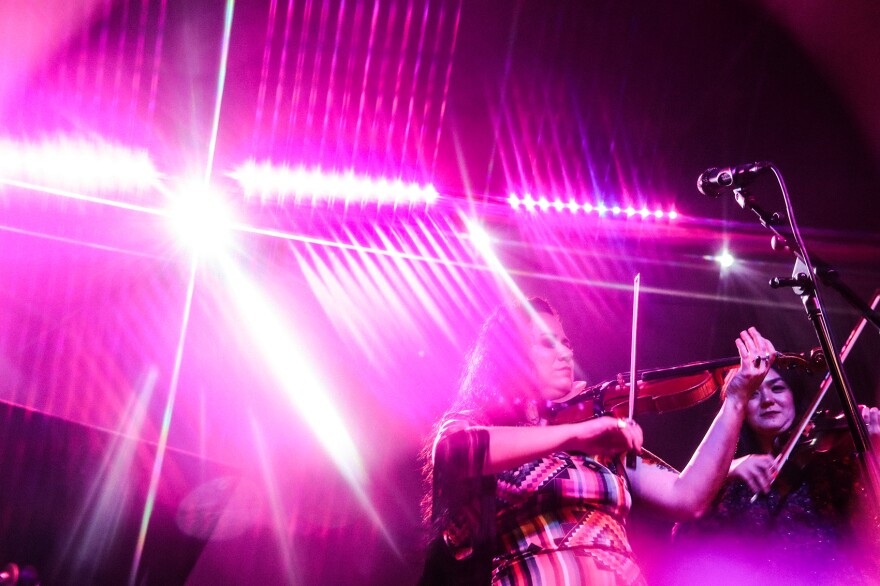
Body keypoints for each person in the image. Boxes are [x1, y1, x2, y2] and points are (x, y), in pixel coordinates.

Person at [418, 296, 777, 585]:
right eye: (547, 344)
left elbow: (687, 496)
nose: (565, 353)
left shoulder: (600, 443)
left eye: (565, 342)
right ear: (509, 357)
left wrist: (736, 400)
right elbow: (453, 451)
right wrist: (579, 433)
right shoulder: (485, 427)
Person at [669, 365, 880, 584]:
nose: (767, 400)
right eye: (754, 394)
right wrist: (725, 471)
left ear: (793, 396)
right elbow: (685, 545)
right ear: (738, 407)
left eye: (777, 388)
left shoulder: (832, 467)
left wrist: (877, 455)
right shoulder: (731, 483)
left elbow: (873, 535)